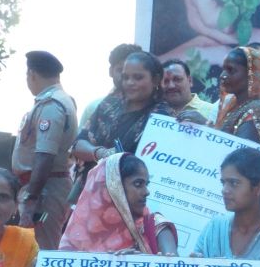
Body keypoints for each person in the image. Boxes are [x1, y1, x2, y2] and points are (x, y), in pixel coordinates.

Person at [73, 50, 163, 200]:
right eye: (126, 77)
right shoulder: (108, 105)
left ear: (155, 80)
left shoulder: (162, 117)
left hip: (131, 201)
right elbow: (78, 145)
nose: (130, 83)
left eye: (138, 77)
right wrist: (100, 153)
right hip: (89, 195)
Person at [191, 147, 260, 260]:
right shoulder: (215, 227)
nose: (224, 190)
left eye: (234, 183)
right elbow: (194, 266)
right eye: (223, 183)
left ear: (259, 188)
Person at [14, 51, 79, 249]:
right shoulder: (57, 100)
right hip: (45, 186)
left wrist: (31, 199)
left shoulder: (52, 104)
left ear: (31, 74)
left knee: (42, 247)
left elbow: (45, 156)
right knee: (35, 246)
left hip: (46, 189)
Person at [60, 153, 178, 255]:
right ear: (114, 187)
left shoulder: (156, 227)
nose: (147, 192)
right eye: (138, 184)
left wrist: (140, 264)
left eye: (146, 184)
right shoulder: (78, 234)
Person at [214, 46, 260, 149]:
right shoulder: (234, 105)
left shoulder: (256, 109)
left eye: (231, 70)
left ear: (252, 75)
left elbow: (239, 152)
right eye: (223, 69)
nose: (222, 75)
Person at [80, 42, 145, 129]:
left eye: (134, 72)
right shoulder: (94, 108)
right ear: (110, 71)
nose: (126, 76)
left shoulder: (152, 111)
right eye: (120, 70)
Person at [161, 59, 216, 124]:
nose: (171, 86)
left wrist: (205, 124)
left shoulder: (213, 111)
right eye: (165, 81)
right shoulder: (154, 112)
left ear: (190, 81)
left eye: (177, 79)